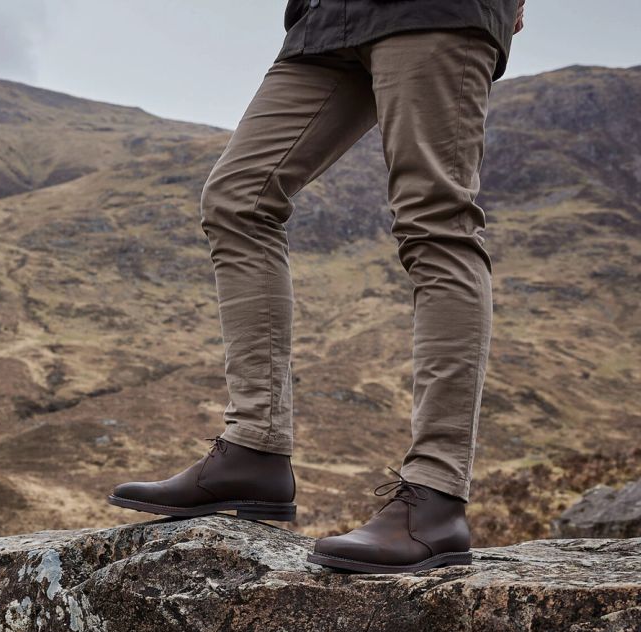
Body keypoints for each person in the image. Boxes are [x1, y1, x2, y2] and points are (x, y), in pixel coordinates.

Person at [108, 0, 526, 574]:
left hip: (437, 10)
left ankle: (435, 495)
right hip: (329, 18)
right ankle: (253, 447)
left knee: (435, 221)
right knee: (238, 199)